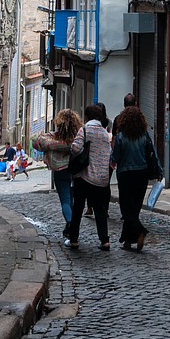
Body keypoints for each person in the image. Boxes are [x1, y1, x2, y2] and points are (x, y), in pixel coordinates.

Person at [66, 103, 113, 251]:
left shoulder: (85, 130)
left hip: (84, 177)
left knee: (78, 207)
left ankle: (73, 239)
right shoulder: (105, 133)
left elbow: (75, 148)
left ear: (87, 117)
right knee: (100, 209)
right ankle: (104, 240)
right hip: (101, 178)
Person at [111, 106, 156, 251]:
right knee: (135, 207)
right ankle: (128, 241)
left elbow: (116, 157)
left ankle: (140, 231)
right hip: (141, 174)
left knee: (126, 208)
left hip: (125, 174)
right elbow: (151, 153)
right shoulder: (145, 135)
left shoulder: (121, 137)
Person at [44, 108, 82, 237]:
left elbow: (38, 142)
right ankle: (70, 226)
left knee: (65, 201)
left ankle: (71, 224)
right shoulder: (78, 137)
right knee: (71, 200)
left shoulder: (55, 138)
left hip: (60, 171)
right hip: (76, 170)